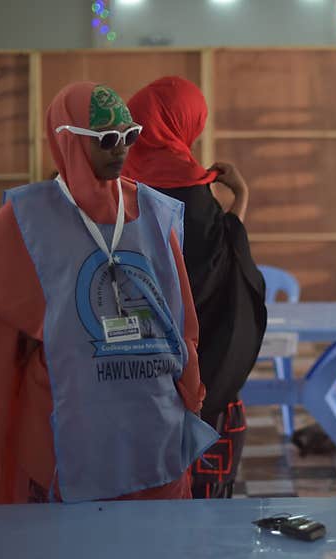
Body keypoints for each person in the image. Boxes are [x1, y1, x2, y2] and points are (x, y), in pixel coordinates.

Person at [0, 81, 218, 505]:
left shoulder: (155, 210)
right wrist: (26, 334)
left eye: (129, 136)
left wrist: (189, 381)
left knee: (159, 552)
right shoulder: (30, 218)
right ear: (67, 139)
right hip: (70, 410)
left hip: (153, 412)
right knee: (77, 554)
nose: (121, 149)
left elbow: (180, 313)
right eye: (106, 139)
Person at [122, 76, 267, 499]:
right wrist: (239, 197)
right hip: (200, 384)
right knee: (203, 512)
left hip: (128, 380)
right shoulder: (197, 195)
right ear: (186, 123)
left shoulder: (115, 190)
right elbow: (225, 278)